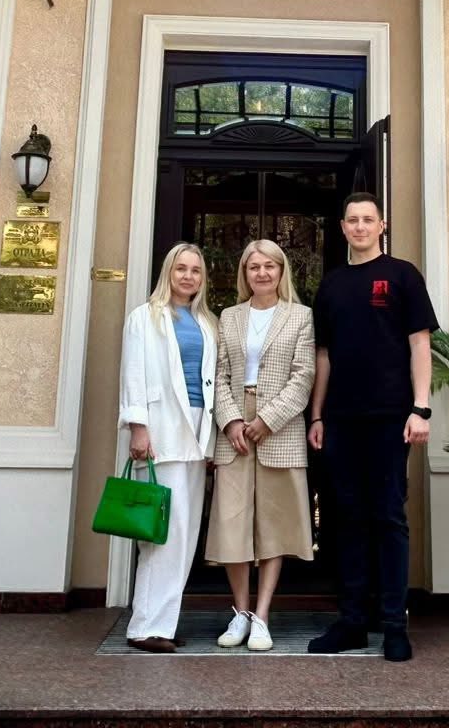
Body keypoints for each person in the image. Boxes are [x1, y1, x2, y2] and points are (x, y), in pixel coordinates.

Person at [306, 192, 436, 663]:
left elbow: (419, 344)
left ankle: (394, 626)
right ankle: (353, 623)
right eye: (352, 220)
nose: (360, 227)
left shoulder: (403, 276)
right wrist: (317, 414)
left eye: (368, 219)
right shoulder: (332, 285)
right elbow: (324, 356)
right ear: (343, 227)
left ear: (382, 226)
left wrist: (420, 408)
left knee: (388, 517)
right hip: (341, 419)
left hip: (391, 419)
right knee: (347, 519)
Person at [205, 239, 316, 652]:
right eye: (254, 267)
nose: (263, 273)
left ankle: (262, 616)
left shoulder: (300, 316)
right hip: (234, 426)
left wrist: (268, 419)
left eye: (270, 266)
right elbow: (218, 374)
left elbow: (304, 375)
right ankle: (239, 613)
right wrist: (231, 420)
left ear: (281, 271)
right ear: (245, 274)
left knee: (274, 523)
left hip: (279, 428)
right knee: (232, 521)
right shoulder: (229, 316)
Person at [117, 242, 219, 653]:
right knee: (161, 534)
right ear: (168, 272)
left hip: (196, 432)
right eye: (181, 269)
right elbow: (133, 375)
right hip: (160, 432)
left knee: (185, 533)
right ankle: (145, 627)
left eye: (195, 270)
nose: (188, 276)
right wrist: (138, 428)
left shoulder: (207, 322)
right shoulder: (144, 317)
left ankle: (163, 622)